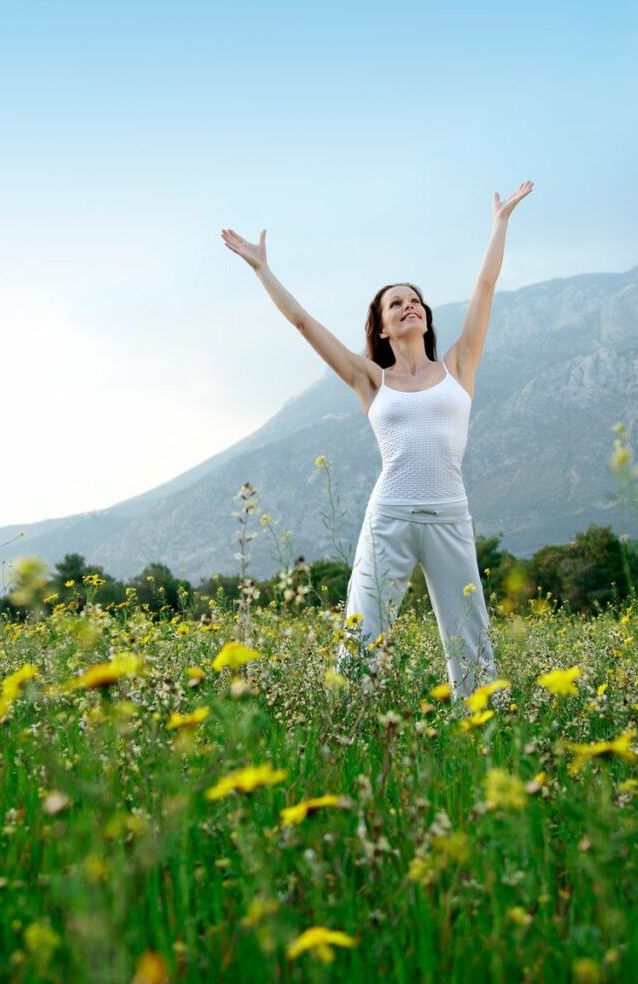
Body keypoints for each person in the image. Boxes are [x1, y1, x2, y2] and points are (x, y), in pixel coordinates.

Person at [221, 180, 534, 702]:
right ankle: (351, 720)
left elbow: (484, 285)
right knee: (364, 632)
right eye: (397, 304)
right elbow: (303, 323)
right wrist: (262, 269)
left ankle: (482, 726)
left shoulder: (459, 365)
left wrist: (499, 225)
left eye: (416, 301)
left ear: (426, 318)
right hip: (389, 517)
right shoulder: (371, 379)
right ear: (383, 327)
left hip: (450, 516)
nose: (410, 306)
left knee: (471, 637)